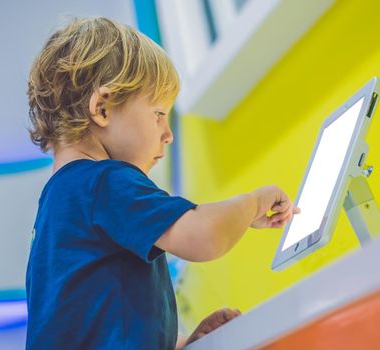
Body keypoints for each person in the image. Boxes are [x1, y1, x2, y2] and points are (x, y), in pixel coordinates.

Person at [25, 17, 300, 350]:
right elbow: (203, 236)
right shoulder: (104, 181)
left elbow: (95, 327)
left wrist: (182, 342)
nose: (168, 135)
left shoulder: (56, 205)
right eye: (158, 114)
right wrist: (254, 202)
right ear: (102, 108)